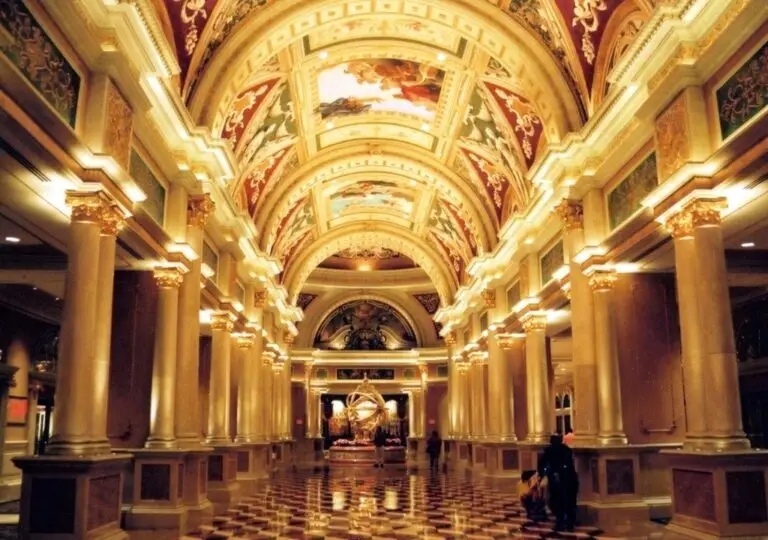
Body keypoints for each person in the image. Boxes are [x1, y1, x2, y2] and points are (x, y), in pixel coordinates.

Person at [537, 434, 579, 531]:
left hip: (565, 479)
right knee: (566, 502)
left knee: (563, 502)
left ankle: (564, 522)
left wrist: (546, 474)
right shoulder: (565, 450)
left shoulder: (551, 451)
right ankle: (568, 523)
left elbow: (542, 464)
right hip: (565, 479)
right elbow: (543, 465)